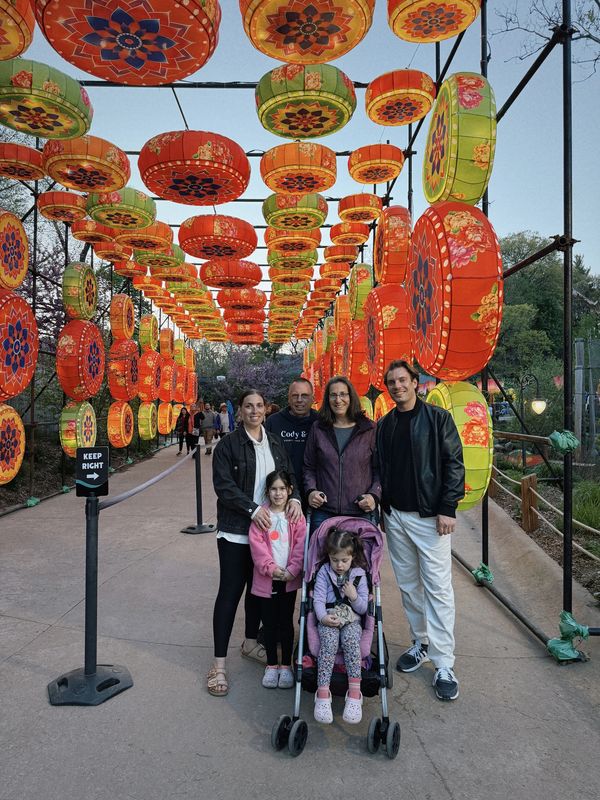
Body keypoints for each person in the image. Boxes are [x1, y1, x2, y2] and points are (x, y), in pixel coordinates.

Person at [376, 360, 465, 702]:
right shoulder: (385, 426)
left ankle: (444, 662)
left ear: (415, 382)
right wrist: (384, 510)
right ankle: (421, 642)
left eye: (402, 380)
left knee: (438, 587)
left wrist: (447, 508)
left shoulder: (438, 419)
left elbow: (453, 464)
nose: (397, 386)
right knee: (409, 584)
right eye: (391, 382)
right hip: (396, 515)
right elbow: (382, 469)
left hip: (430, 517)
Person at [207, 389, 303, 697]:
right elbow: (224, 485)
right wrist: (252, 509)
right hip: (237, 530)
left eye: (259, 405)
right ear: (240, 410)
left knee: (258, 590)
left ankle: (250, 642)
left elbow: (288, 477)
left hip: (270, 533)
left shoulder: (274, 442)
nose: (254, 410)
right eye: (248, 406)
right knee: (231, 592)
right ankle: (219, 665)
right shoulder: (228, 445)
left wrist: (296, 499)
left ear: (266, 409)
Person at [248, 469, 306, 690]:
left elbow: (300, 545)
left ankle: (286, 666)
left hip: (288, 579)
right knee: (270, 624)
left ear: (290, 490)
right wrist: (271, 569)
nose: (278, 493)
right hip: (268, 579)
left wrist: (293, 569)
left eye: (282, 489)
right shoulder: (262, 516)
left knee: (286, 623)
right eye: (274, 489)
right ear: (267, 492)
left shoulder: (295, 517)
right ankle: (272, 665)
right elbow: (258, 547)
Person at [303, 375, 381, 534]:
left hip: (361, 512)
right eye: (333, 395)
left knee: (360, 559)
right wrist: (311, 491)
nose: (338, 400)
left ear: (351, 397)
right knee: (321, 558)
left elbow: (379, 469)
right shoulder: (318, 428)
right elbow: (309, 467)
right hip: (324, 512)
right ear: (328, 399)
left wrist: (374, 495)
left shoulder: (369, 429)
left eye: (343, 394)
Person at [312, 527, 369, 725]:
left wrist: (353, 596)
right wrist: (322, 618)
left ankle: (354, 693)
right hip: (329, 618)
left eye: (344, 560)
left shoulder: (359, 575)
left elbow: (363, 609)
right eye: (335, 560)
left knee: (351, 641)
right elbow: (318, 600)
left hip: (352, 619)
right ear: (329, 556)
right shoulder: (323, 573)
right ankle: (323, 693)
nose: (339, 565)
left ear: (352, 557)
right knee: (328, 642)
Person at [265, 377, 318, 511]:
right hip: (280, 496)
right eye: (295, 396)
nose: (299, 400)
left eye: (304, 396)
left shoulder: (321, 422)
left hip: (315, 494)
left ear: (313, 398)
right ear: (288, 398)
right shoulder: (274, 422)